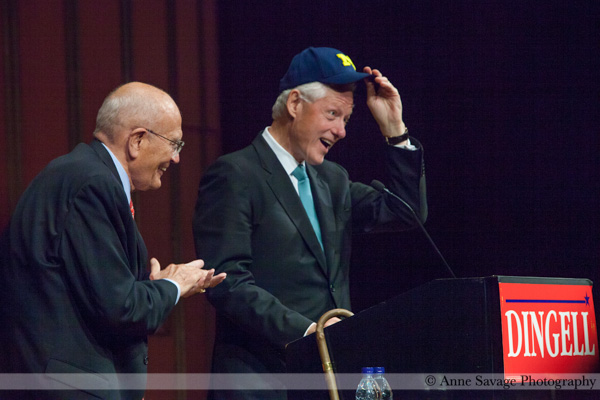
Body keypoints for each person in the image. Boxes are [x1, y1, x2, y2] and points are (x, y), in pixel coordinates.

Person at [193, 47, 427, 399]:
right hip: (262, 382)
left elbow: (406, 212)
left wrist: (395, 130)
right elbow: (227, 283)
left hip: (324, 383)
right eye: (332, 114)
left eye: (346, 119)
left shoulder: (332, 179)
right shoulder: (236, 175)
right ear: (294, 104)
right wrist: (310, 333)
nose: (341, 131)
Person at [0, 82, 226, 400]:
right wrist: (174, 285)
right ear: (137, 140)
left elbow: (95, 295)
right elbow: (120, 310)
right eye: (174, 144)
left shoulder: (79, 174)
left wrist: (152, 288)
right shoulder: (92, 184)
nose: (176, 159)